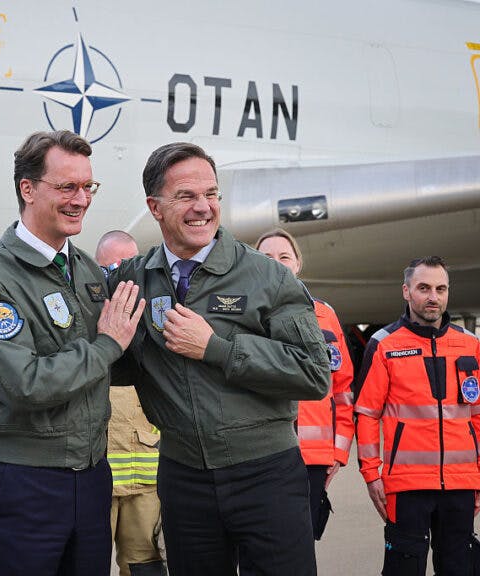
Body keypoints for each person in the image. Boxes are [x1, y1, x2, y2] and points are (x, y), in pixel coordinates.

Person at [107, 142, 331, 576]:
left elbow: (312, 372)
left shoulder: (267, 276)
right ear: (155, 206)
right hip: (183, 478)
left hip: (265, 475)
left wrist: (217, 348)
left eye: (211, 194)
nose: (203, 208)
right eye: (186, 196)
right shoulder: (133, 277)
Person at [0, 130, 146, 576]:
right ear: (28, 188)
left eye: (87, 187)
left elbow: (115, 363)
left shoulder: (85, 270)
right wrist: (106, 345)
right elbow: (26, 383)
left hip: (92, 477)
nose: (81, 199)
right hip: (25, 482)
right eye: (67, 187)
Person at [354, 256, 480, 575]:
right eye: (423, 288)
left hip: (461, 485)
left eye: (440, 288)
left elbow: (477, 415)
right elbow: (367, 413)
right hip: (406, 486)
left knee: (460, 568)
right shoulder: (384, 346)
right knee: (403, 569)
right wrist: (371, 474)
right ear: (407, 292)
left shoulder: (470, 345)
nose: (433, 297)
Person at [254, 228, 355, 540]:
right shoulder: (241, 315)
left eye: (284, 256)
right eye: (266, 257)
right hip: (258, 456)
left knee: (299, 550)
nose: (277, 263)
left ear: (297, 263)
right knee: (259, 547)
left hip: (312, 459)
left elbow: (342, 388)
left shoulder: (325, 315)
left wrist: (337, 453)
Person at [95, 230, 166, 576]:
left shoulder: (158, 317)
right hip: (97, 479)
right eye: (113, 268)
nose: (124, 276)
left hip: (148, 484)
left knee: (146, 567)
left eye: (129, 264)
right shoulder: (86, 320)